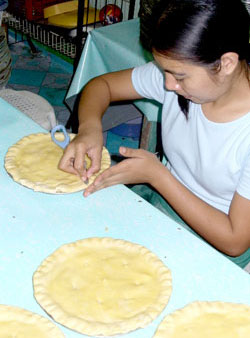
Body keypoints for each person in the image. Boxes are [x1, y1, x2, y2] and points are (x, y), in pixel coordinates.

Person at [59, 0, 250, 269]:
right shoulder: (176, 80)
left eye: (180, 76)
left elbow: (234, 241)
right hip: (161, 203)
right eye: (164, 72)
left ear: (226, 63)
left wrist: (158, 176)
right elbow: (101, 85)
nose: (168, 84)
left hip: (215, 240)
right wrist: (89, 129)